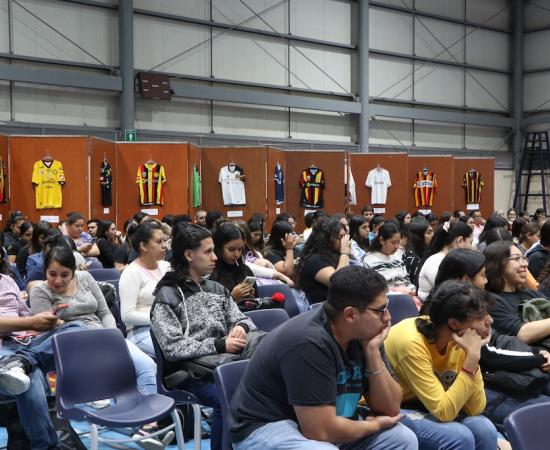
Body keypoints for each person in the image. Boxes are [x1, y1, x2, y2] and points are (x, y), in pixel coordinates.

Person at [230, 266, 418, 450]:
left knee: (402, 439)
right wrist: (375, 426)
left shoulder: (366, 334)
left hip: (324, 417)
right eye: (381, 310)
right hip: (266, 425)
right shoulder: (307, 342)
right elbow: (319, 431)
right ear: (351, 314)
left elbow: (391, 409)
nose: (388, 318)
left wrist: (373, 353)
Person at [151, 224, 258, 450]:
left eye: (213, 251)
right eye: (208, 252)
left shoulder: (217, 288)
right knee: (226, 398)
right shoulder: (167, 295)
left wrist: (240, 327)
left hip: (224, 363)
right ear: (189, 255)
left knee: (264, 384)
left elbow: (246, 320)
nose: (215, 257)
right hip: (188, 373)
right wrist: (220, 344)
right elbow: (172, 348)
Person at [435, 248, 550, 427]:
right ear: (466, 280)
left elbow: (497, 340)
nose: (486, 281)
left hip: (489, 377)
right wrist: (538, 357)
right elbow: (489, 353)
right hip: (482, 382)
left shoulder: (477, 303)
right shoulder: (455, 314)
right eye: (482, 276)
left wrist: (538, 353)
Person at [29, 246, 157, 398]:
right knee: (109, 374)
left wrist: (111, 335)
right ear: (45, 271)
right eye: (52, 274)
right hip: (72, 344)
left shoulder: (85, 278)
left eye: (65, 275)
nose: (58, 280)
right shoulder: (40, 291)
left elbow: (104, 312)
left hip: (103, 335)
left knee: (146, 366)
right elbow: (45, 330)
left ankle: (148, 419)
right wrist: (56, 323)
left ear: (73, 272)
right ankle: (98, 413)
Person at [385, 281, 498, 450]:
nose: (490, 321)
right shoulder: (411, 342)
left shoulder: (459, 338)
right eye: (481, 317)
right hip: (392, 407)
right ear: (453, 323)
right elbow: (443, 412)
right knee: (459, 436)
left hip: (424, 404)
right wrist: (472, 357)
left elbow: (475, 408)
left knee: (484, 428)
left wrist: (471, 357)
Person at [0, 273, 84, 450]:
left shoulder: (7, 280)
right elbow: (27, 321)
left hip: (24, 342)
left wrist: (45, 324)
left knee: (77, 328)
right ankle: (46, 446)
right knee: (29, 378)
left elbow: (25, 316)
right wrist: (31, 322)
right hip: (2, 348)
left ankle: (22, 361)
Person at [485, 241, 550, 347]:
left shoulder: (531, 293)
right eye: (516, 258)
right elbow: (522, 334)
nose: (525, 264)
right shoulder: (491, 301)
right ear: (498, 264)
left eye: (523, 258)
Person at [119, 221, 170, 357]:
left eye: (165, 241)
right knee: (176, 350)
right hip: (142, 332)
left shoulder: (166, 267)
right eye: (159, 242)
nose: (165, 246)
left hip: (170, 327)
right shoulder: (131, 272)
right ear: (143, 246)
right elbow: (127, 316)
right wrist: (160, 318)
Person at [295, 217, 350, 304]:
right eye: (340, 237)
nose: (345, 241)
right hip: (321, 311)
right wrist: (345, 253)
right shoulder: (315, 260)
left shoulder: (333, 255)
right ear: (326, 239)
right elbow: (339, 283)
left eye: (345, 236)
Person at [417, 221, 473, 301]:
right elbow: (450, 293)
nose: (472, 248)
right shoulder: (435, 261)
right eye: (471, 242)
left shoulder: (451, 259)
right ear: (460, 241)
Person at [363, 222, 415, 296]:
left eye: (398, 242)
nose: (396, 246)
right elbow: (374, 291)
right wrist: (400, 293)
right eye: (393, 243)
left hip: (406, 296)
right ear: (382, 240)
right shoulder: (369, 260)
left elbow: (407, 281)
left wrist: (412, 290)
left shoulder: (397, 257)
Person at [402, 218, 432, 288]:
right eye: (429, 233)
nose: (432, 235)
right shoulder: (411, 259)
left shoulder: (427, 252)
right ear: (419, 236)